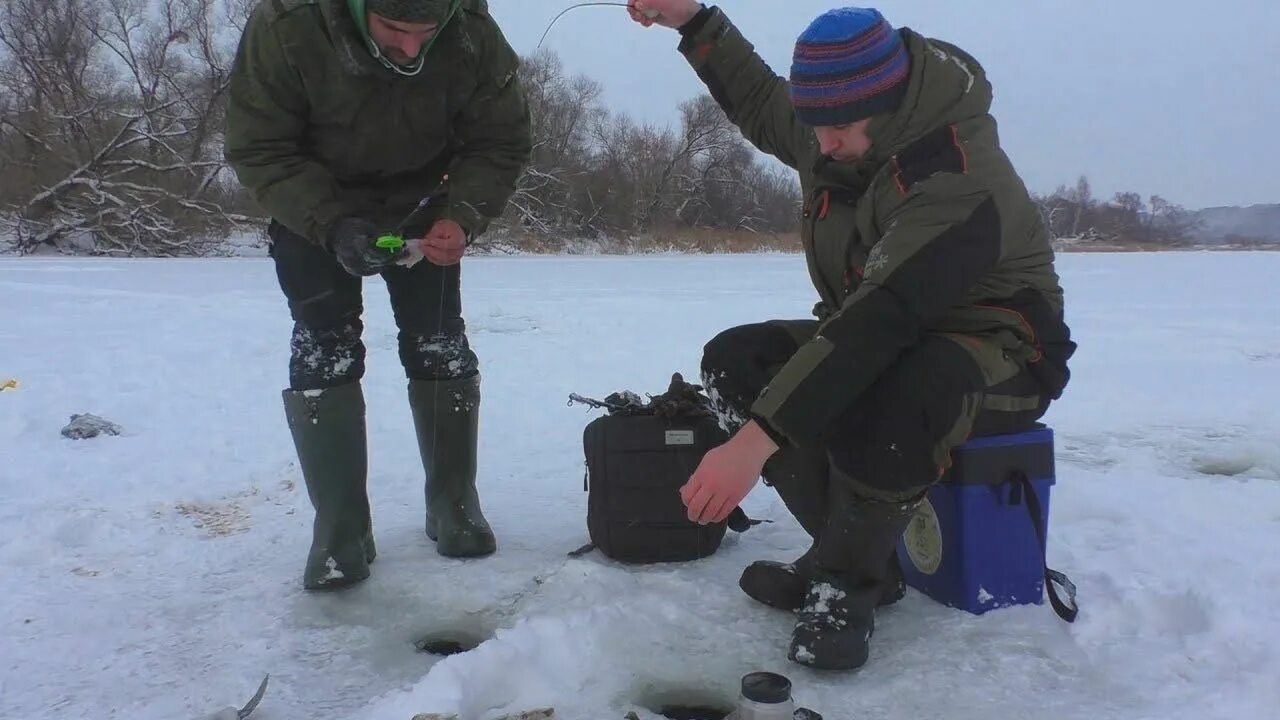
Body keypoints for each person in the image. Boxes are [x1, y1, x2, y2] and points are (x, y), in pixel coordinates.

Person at [629, 1, 1075, 670]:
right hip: (887, 328)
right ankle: (846, 549)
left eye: (839, 129)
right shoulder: (836, 122)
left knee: (893, 391)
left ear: (892, 108)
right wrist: (692, 21)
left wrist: (753, 443)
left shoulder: (956, 176)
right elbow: (759, 101)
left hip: (1001, 349)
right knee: (737, 361)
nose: (823, 145)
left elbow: (882, 321)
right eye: (816, 127)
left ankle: (846, 583)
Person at [223, 0, 531, 590]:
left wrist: (462, 215)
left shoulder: (469, 31)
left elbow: (501, 141)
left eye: (426, 34)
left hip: (426, 205)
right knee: (323, 348)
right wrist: (332, 224)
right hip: (313, 206)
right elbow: (262, 148)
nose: (411, 49)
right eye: (394, 30)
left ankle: (454, 505)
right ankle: (341, 531)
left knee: (441, 344)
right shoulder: (287, 27)